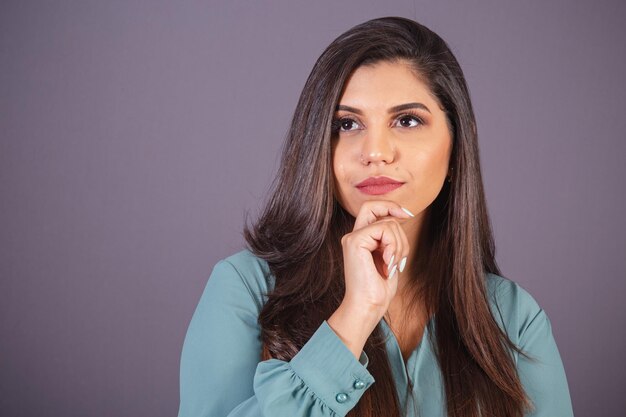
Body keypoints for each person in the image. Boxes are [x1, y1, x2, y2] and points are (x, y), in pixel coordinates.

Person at [177, 16, 574, 417]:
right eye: (347, 124)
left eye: (407, 120)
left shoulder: (513, 320)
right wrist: (354, 317)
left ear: (457, 145)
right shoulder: (246, 291)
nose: (376, 151)